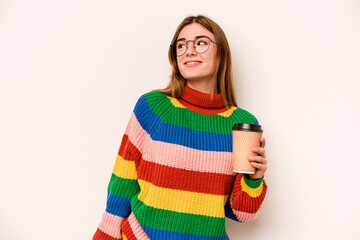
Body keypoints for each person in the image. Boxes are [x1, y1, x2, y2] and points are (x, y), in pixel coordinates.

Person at [93, 15, 268, 240]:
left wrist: (254, 180)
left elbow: (243, 213)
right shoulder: (153, 108)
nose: (189, 50)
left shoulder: (243, 125)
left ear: (221, 53)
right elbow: (122, 184)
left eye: (201, 42)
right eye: (181, 45)